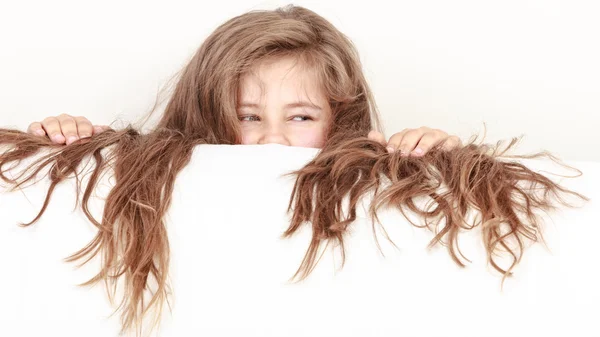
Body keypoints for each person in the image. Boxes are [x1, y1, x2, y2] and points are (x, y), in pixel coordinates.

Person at [0, 4, 585, 337]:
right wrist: (68, 136)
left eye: (300, 116)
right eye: (247, 116)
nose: (271, 137)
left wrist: (440, 158)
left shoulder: (359, 181)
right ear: (209, 114)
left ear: (340, 119)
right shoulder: (175, 176)